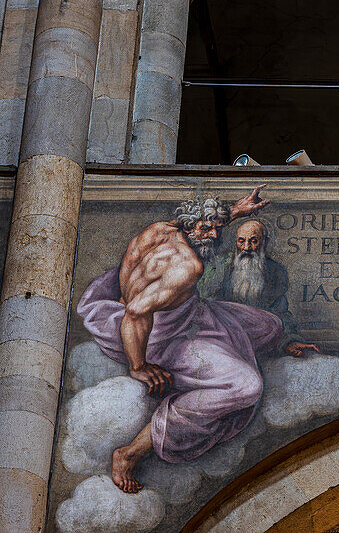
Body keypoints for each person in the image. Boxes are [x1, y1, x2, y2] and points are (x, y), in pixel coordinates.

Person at [76, 187, 298, 493]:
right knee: (247, 387)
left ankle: (231, 352)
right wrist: (139, 366)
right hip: (164, 339)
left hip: (189, 315)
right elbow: (136, 313)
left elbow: (201, 228)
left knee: (270, 327)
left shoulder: (160, 231)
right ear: (192, 225)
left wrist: (233, 212)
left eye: (218, 229)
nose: (213, 237)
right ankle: (131, 452)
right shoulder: (188, 268)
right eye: (208, 229)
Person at [203, 219, 319, 356]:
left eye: (253, 241)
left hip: (259, 338)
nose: (246, 248)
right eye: (241, 241)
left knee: (273, 324)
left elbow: (281, 311)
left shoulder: (276, 272)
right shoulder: (220, 267)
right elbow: (205, 305)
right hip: (222, 335)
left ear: (265, 242)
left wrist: (289, 341)